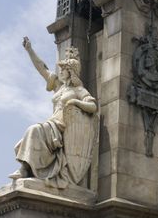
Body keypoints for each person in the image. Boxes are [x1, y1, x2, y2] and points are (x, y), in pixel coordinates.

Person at [9, 37, 98, 188]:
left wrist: (76, 102)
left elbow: (92, 106)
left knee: (34, 129)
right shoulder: (59, 86)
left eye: (64, 69)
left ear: (71, 72)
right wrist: (30, 50)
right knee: (34, 131)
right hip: (51, 125)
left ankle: (25, 169)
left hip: (61, 127)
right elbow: (42, 68)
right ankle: (27, 169)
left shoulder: (78, 90)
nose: (61, 71)